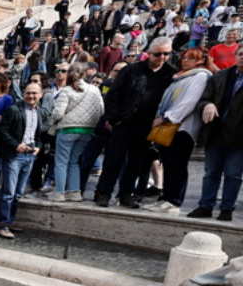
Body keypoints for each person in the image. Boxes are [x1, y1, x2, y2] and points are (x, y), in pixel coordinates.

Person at [94, 37, 176, 208]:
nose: (162, 57)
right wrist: (113, 118)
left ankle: (126, 194)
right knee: (113, 160)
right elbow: (113, 95)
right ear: (149, 54)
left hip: (147, 126)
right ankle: (104, 193)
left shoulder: (170, 73)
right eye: (158, 54)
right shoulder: (131, 70)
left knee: (136, 163)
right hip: (123, 123)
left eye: (166, 53)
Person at [148, 47, 213, 213]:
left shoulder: (201, 76)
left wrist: (165, 118)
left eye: (191, 58)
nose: (185, 61)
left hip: (183, 127)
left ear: (200, 61)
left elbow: (189, 102)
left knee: (177, 164)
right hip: (170, 125)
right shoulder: (180, 77)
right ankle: (166, 196)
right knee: (168, 163)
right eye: (184, 57)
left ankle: (174, 199)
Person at [189, 43, 243, 220]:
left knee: (233, 175)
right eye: (241, 54)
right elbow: (203, 99)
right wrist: (208, 105)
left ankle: (227, 208)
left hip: (239, 137)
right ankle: (205, 206)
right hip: (216, 132)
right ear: (235, 55)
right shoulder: (220, 76)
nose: (242, 57)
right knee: (211, 172)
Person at [0, 82, 44, 239]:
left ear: (40, 95)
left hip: (30, 155)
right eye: (28, 93)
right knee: (8, 192)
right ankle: (2, 225)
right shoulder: (13, 109)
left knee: (18, 193)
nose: (31, 96)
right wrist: (16, 146)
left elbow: (39, 134)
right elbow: (1, 130)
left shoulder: (39, 112)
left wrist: (38, 147)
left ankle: (9, 222)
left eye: (34, 93)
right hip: (14, 155)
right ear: (23, 93)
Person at [48, 61, 105, 202]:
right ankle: (75, 192)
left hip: (67, 128)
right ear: (85, 73)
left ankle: (59, 192)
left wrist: (51, 122)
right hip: (87, 130)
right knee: (74, 161)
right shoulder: (95, 90)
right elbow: (101, 110)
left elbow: (58, 113)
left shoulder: (66, 91)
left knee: (61, 162)